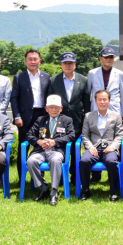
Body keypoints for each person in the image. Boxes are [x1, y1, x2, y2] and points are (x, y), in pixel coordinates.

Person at [25, 95, 75, 206]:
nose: (54, 110)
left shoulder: (67, 120)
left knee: (56, 160)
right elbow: (29, 134)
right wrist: (39, 141)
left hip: (56, 151)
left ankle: (53, 191)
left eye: (56, 107)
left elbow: (71, 136)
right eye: (51, 107)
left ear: (61, 108)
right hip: (40, 151)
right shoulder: (40, 120)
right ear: (46, 109)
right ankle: (43, 187)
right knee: (31, 161)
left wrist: (55, 142)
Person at [48, 51, 90, 179]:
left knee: (74, 151)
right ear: (61, 65)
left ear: (75, 65)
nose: (68, 66)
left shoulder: (83, 80)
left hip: (77, 121)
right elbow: (50, 100)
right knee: (60, 149)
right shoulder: (54, 80)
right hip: (58, 121)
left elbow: (86, 102)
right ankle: (59, 177)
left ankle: (75, 176)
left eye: (70, 63)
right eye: (65, 63)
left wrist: (86, 120)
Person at [78, 89, 123, 202]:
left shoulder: (116, 116)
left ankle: (113, 191)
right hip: (93, 147)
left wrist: (113, 146)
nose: (102, 102)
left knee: (112, 161)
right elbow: (84, 135)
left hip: (109, 148)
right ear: (95, 101)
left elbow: (119, 135)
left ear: (109, 101)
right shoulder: (89, 116)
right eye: (99, 99)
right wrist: (89, 147)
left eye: (105, 99)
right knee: (84, 161)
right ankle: (85, 190)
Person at [11, 49, 50, 179]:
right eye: (30, 59)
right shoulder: (19, 77)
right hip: (25, 117)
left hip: (42, 116)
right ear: (25, 61)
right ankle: (21, 177)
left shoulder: (46, 76)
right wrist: (17, 116)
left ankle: (40, 177)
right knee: (24, 147)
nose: (33, 61)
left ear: (40, 60)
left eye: (35, 59)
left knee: (42, 146)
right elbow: (14, 98)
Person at [87, 46, 123, 121]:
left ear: (114, 58)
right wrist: (88, 112)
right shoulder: (92, 73)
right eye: (106, 57)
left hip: (114, 109)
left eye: (111, 57)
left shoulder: (119, 74)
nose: (108, 59)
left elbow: (122, 95)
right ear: (100, 59)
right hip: (96, 109)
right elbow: (88, 94)